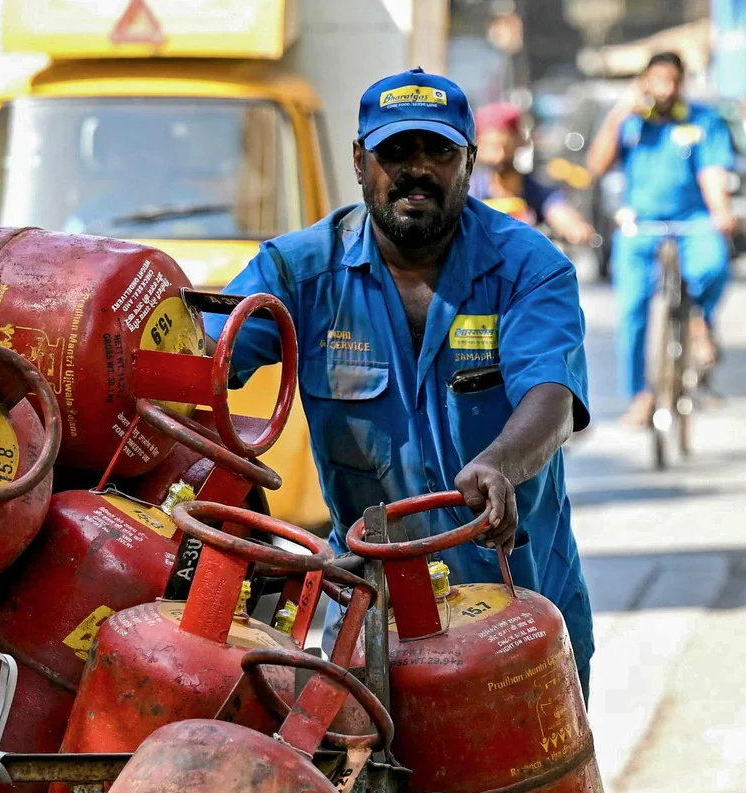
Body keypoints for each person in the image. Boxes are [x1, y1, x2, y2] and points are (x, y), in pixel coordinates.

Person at [203, 68, 595, 696]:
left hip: (520, 608)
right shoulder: (299, 273)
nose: (417, 169)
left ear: (469, 162)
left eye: (439, 151)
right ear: (361, 161)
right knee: (361, 757)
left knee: (531, 762)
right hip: (374, 616)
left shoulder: (529, 268)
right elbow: (203, 362)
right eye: (396, 152)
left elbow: (551, 395)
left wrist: (499, 463)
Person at [587, 51, 736, 426]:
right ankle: (640, 393)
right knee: (632, 310)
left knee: (713, 264)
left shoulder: (702, 120)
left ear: (681, 83)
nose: (665, 89)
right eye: (658, 81)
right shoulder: (631, 121)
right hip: (641, 223)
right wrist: (618, 115)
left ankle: (700, 322)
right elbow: (596, 166)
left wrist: (721, 212)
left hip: (693, 220)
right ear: (645, 82)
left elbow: (712, 171)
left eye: (672, 81)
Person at [469, 101, 596, 246]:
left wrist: (573, 227)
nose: (499, 156)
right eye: (492, 146)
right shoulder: (471, 193)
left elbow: (557, 209)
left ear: (521, 141)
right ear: (478, 145)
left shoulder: (536, 190)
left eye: (505, 146)